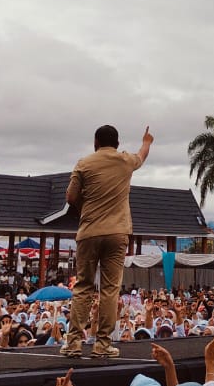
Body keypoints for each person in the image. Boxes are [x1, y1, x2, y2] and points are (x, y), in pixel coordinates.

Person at [62, 124, 154, 358]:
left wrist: (87, 208)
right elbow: (142, 155)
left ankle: (73, 343)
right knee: (110, 289)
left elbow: (71, 197)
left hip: (89, 231)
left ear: (95, 142)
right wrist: (147, 141)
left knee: (83, 286)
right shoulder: (125, 161)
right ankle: (102, 344)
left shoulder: (84, 163)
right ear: (118, 143)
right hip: (117, 232)